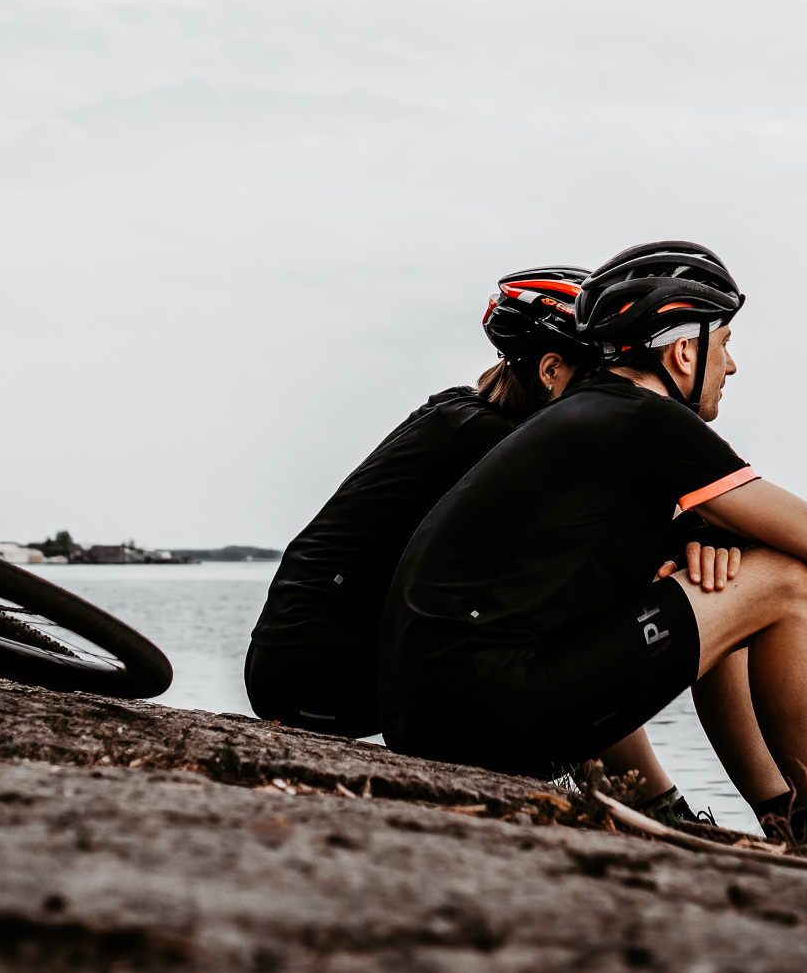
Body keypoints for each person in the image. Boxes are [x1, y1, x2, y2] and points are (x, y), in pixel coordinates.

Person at [378, 241, 807, 872]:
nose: (731, 366)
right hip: (484, 716)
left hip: (438, 714)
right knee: (784, 583)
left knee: (726, 584)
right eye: (726, 343)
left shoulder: (584, 412)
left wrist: (710, 545)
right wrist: (730, 539)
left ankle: (764, 821)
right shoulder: (646, 420)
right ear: (684, 350)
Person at [243, 266, 594, 738]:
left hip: (293, 671)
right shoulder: (488, 441)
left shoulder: (462, 417)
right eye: (600, 374)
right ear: (551, 370)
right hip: (321, 684)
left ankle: (636, 794)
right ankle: (652, 800)